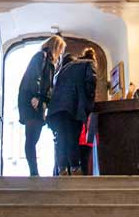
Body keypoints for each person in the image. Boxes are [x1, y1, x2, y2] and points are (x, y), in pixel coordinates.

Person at [18, 34, 65, 176]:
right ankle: (34, 172)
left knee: (34, 136)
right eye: (61, 50)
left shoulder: (50, 62)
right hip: (32, 100)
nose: (61, 54)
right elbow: (34, 76)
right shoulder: (41, 56)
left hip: (39, 102)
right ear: (56, 47)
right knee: (31, 137)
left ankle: (34, 172)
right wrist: (35, 96)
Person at [47, 51, 96, 175]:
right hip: (72, 106)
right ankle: (75, 168)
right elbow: (91, 83)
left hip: (56, 108)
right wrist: (89, 103)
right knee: (72, 137)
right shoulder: (89, 64)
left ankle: (62, 168)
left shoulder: (64, 68)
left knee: (62, 137)